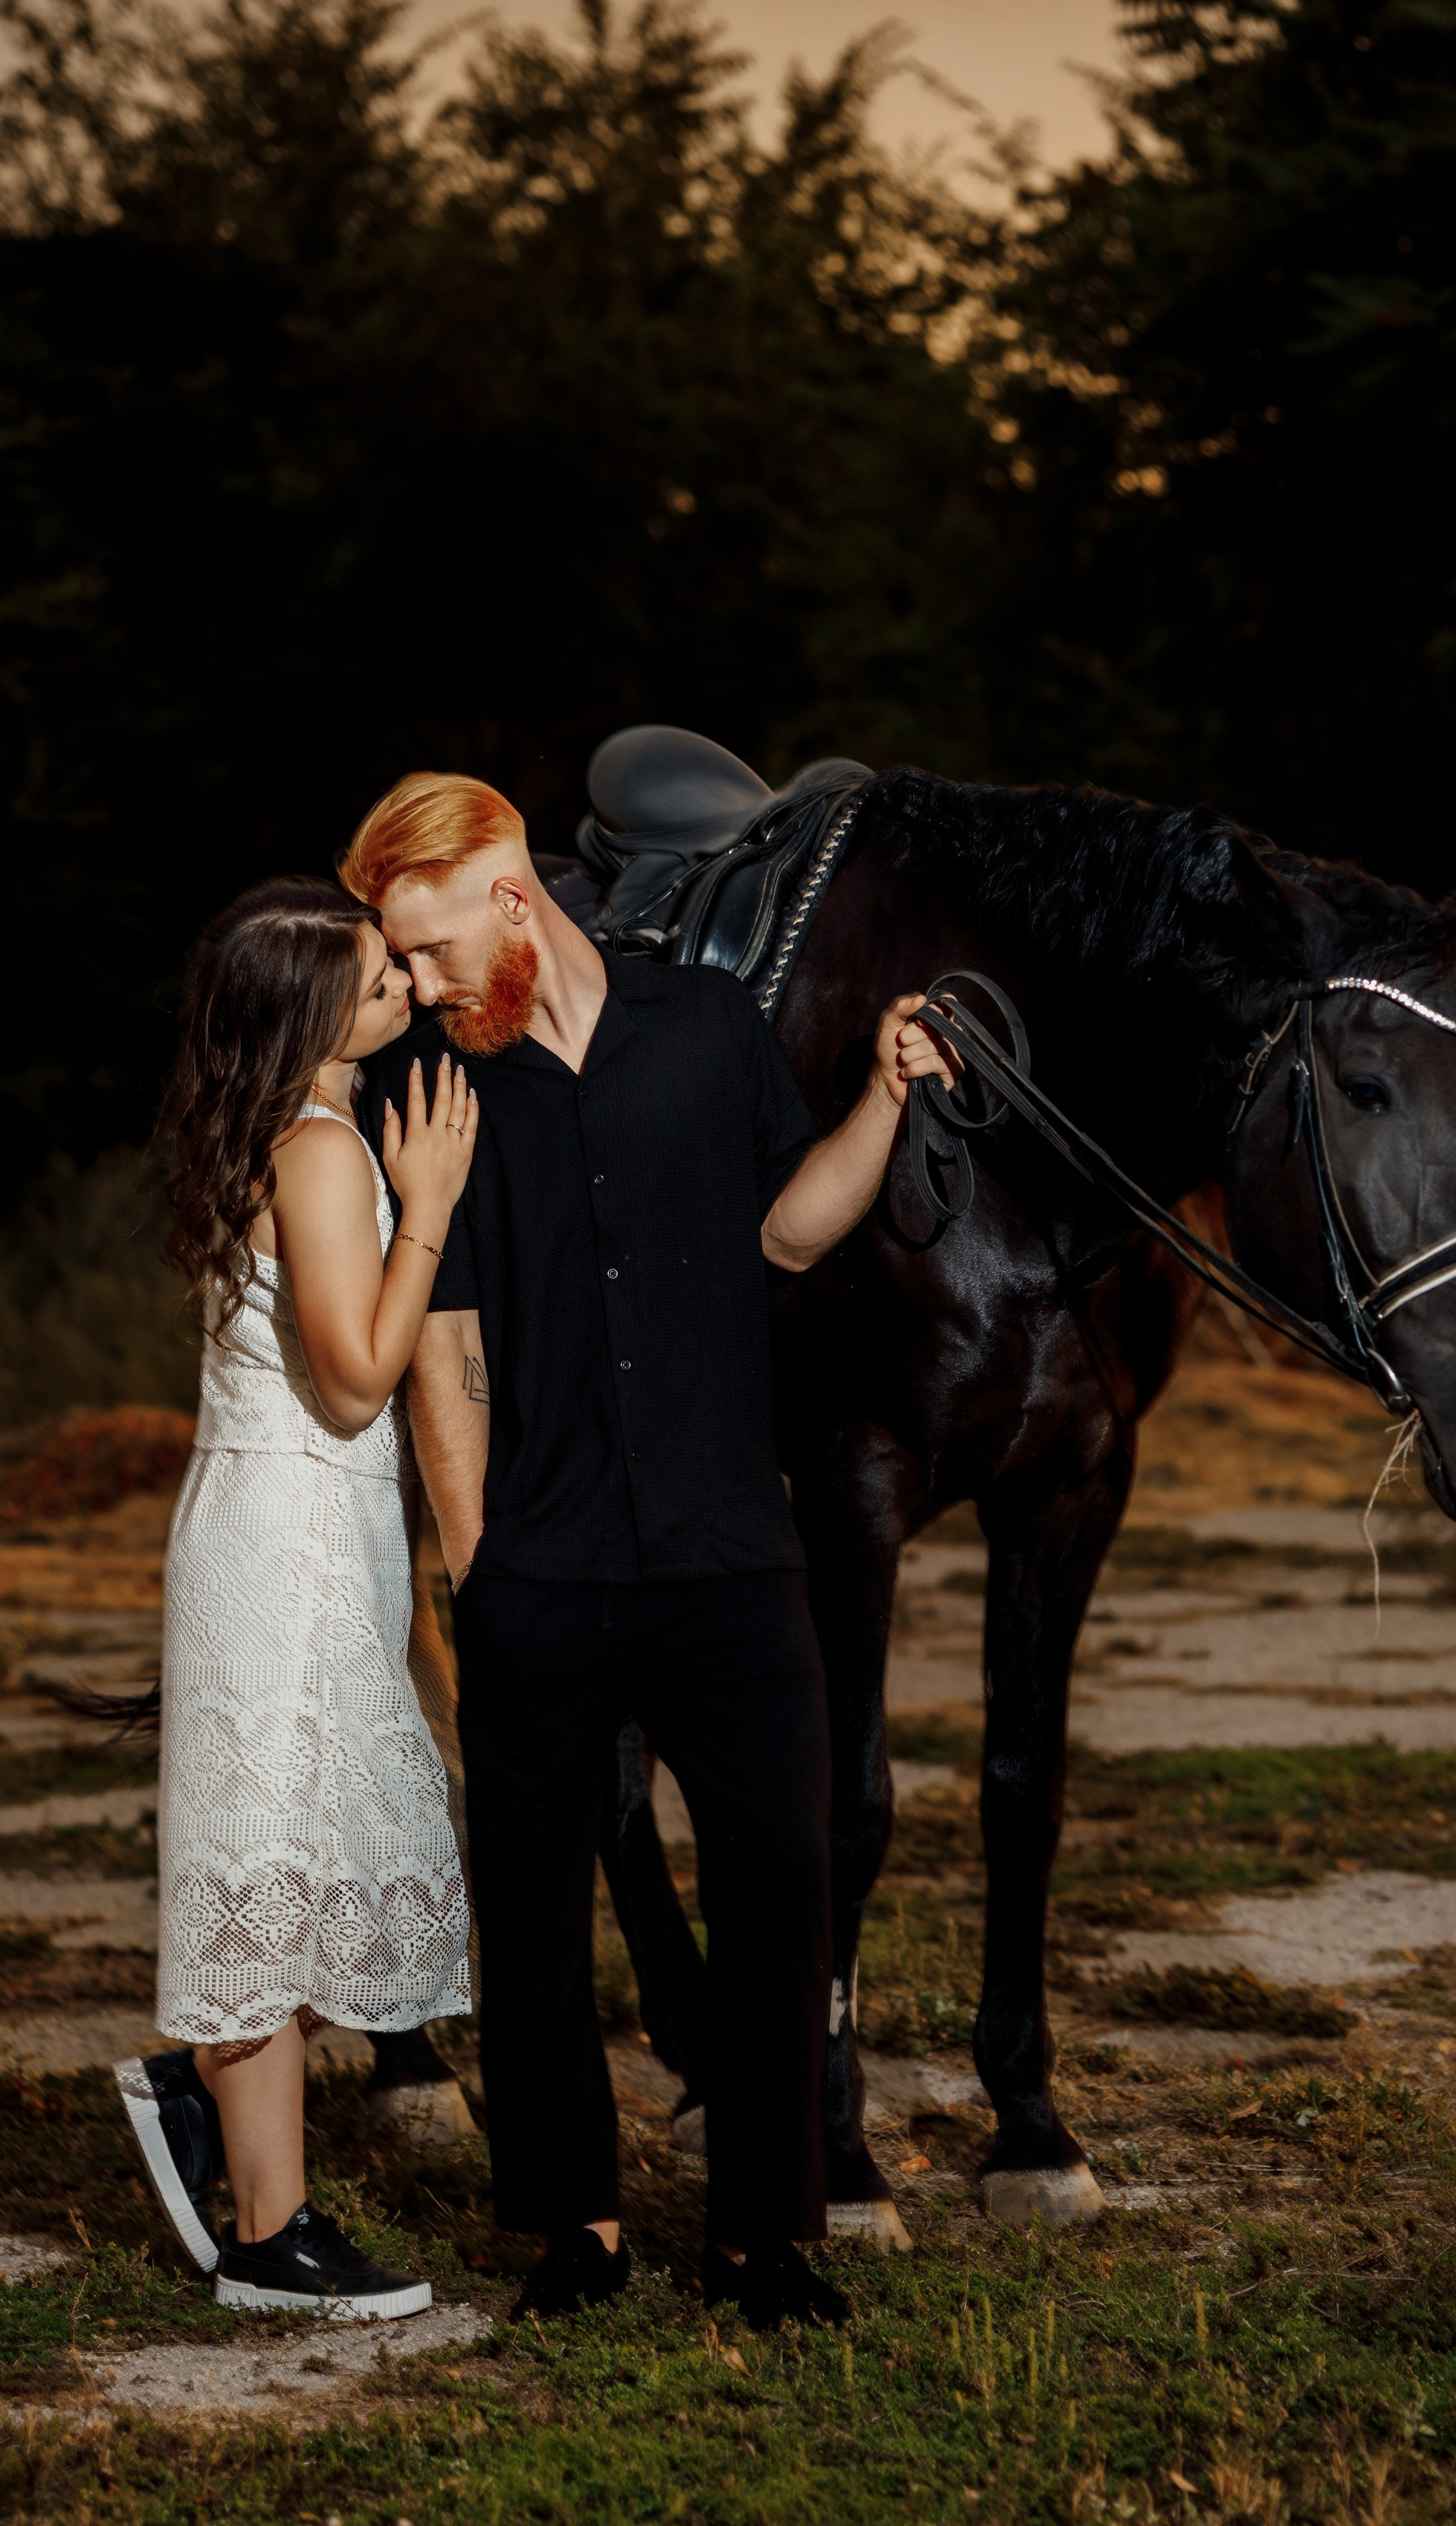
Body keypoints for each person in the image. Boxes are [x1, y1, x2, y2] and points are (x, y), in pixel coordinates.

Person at [343, 772, 954, 2329]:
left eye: (423, 950)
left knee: (775, 1886)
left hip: (730, 1558)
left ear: (506, 893)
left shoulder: (702, 1028)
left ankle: (762, 2234)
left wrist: (883, 1097)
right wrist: (478, 1560)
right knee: (532, 1910)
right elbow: (449, 1344)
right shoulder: (435, 1081)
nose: (411, 985)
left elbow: (793, 1232)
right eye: (396, 963)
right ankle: (577, 2226)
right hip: (540, 1573)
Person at [113, 877, 478, 2317]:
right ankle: (267, 2237)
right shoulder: (323, 1149)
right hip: (289, 1542)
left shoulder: (284, 1131)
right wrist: (430, 1210)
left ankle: (202, 2083)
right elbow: (351, 1375)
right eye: (374, 970)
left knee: (317, 1859)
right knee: (283, 1860)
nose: (400, 980)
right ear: (310, 1009)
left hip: (290, 1528)